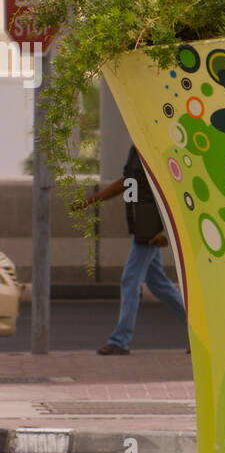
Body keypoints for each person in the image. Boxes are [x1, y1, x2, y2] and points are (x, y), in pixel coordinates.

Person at [81, 146, 188, 355]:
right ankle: (200, 333)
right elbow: (126, 182)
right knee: (159, 284)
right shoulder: (135, 149)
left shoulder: (156, 146)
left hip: (150, 230)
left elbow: (173, 191)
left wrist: (165, 232)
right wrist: (90, 201)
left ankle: (120, 340)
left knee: (130, 279)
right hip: (141, 226)